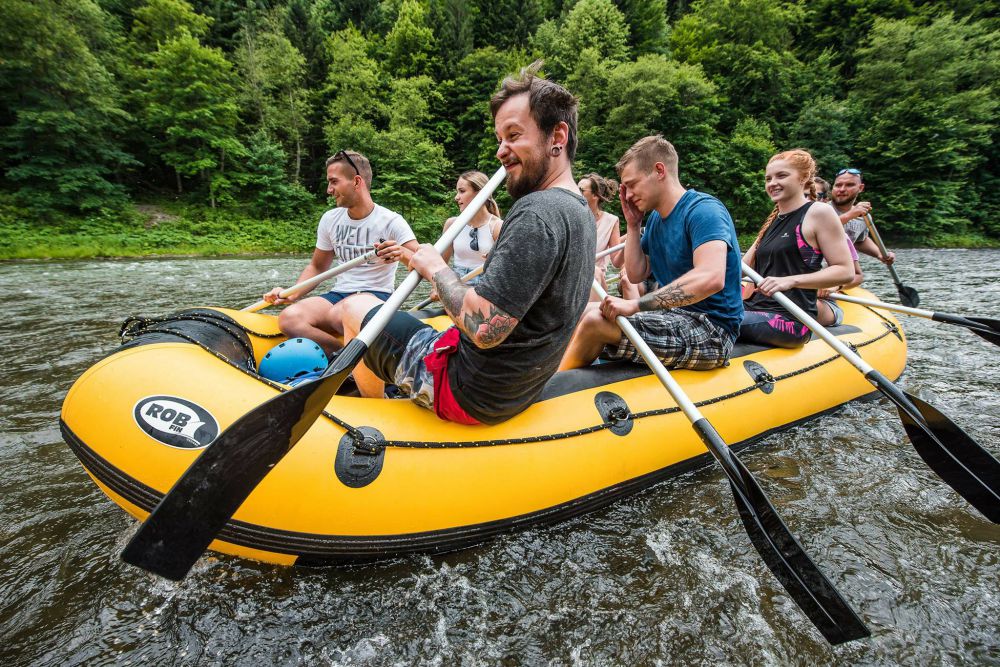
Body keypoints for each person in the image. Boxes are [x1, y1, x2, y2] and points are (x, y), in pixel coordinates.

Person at [337, 63, 595, 425]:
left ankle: (376, 419)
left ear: (558, 137)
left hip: (467, 390)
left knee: (354, 307)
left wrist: (435, 270)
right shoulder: (579, 211)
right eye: (499, 139)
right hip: (513, 389)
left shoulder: (537, 212)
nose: (501, 151)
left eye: (515, 135)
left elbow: (484, 330)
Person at [559, 135, 743, 372]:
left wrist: (636, 305)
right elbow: (636, 274)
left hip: (711, 330)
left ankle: (551, 394)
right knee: (581, 311)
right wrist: (634, 225)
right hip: (671, 316)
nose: (627, 195)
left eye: (632, 184)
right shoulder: (655, 219)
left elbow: (711, 277)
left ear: (659, 170)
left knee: (596, 321)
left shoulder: (704, 210)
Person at [262, 151, 419, 356]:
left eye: (334, 182)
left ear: (356, 181)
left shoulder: (391, 221)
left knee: (340, 314)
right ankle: (344, 359)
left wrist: (402, 253)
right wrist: (292, 293)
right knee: (289, 319)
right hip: (339, 295)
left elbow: (424, 260)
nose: (329, 190)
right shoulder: (330, 219)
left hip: (376, 296)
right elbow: (317, 266)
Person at [739, 149, 855, 348]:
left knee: (718, 320)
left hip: (791, 319)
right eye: (768, 178)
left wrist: (789, 281)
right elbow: (740, 266)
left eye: (781, 176)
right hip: (753, 308)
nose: (772, 183)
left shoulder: (819, 212)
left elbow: (845, 271)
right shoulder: (772, 220)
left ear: (803, 178)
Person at [440, 171, 503, 285]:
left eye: (462, 191)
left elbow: (505, 268)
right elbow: (440, 265)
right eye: (457, 192)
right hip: (456, 287)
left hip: (486, 288)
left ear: (480, 193)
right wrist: (437, 287)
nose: (456, 197)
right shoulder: (451, 224)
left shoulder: (497, 226)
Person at [830, 167, 895, 265]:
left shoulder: (862, 217)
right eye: (838, 185)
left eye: (849, 185)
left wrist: (879, 254)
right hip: (814, 271)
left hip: (839, 272)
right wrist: (850, 215)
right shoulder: (820, 208)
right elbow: (823, 228)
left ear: (860, 188)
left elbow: (859, 240)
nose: (842, 189)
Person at [578, 172, 621, 298]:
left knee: (595, 272)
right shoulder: (571, 217)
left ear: (595, 196)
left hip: (595, 277)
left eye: (581, 190)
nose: (576, 193)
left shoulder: (611, 221)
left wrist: (632, 238)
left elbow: (616, 260)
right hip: (573, 274)